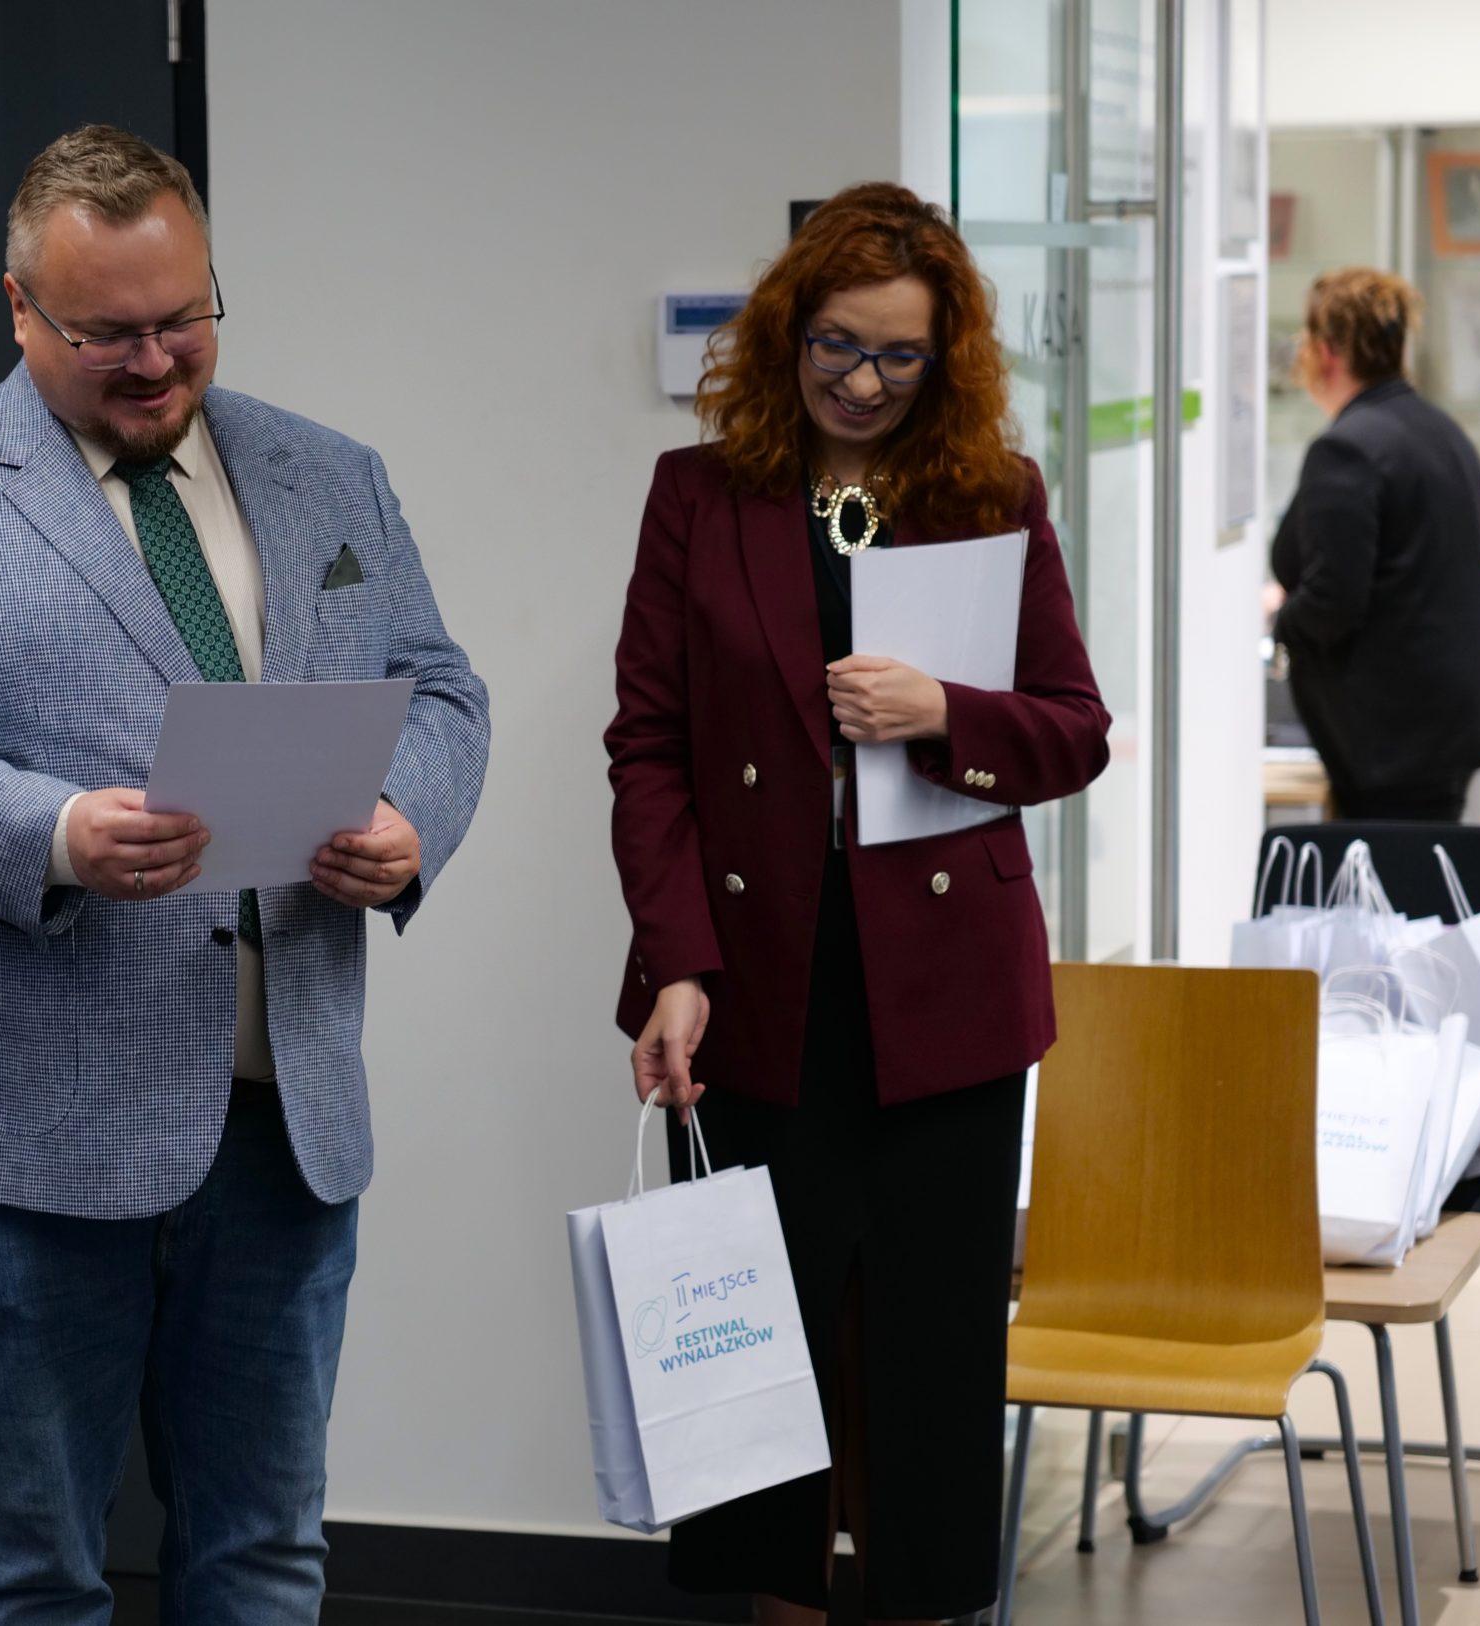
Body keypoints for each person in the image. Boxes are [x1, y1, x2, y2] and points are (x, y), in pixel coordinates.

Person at [0, 125, 489, 1622]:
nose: (156, 361)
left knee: (265, 1557)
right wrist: (53, 833)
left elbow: (439, 687)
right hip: (29, 1141)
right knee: (26, 1572)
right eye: (108, 333)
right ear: (20, 309)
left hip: (285, 1130)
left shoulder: (330, 475)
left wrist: (409, 817)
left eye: (183, 317)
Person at [603, 183, 1109, 1626]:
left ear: (945, 359)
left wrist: (945, 712)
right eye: (839, 346)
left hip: (945, 1001)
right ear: (789, 333)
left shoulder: (992, 495)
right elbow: (649, 748)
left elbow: (1073, 729)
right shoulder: (698, 495)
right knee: (764, 1355)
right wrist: (677, 963)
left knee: (928, 1361)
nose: (866, 383)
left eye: (899, 355)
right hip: (754, 984)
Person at [1269, 267, 1480, 821]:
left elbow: (1334, 599)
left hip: (1393, 736)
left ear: (1326, 352)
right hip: (1443, 724)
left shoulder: (1346, 450)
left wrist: (1282, 624)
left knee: (1395, 870)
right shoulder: (1441, 432)